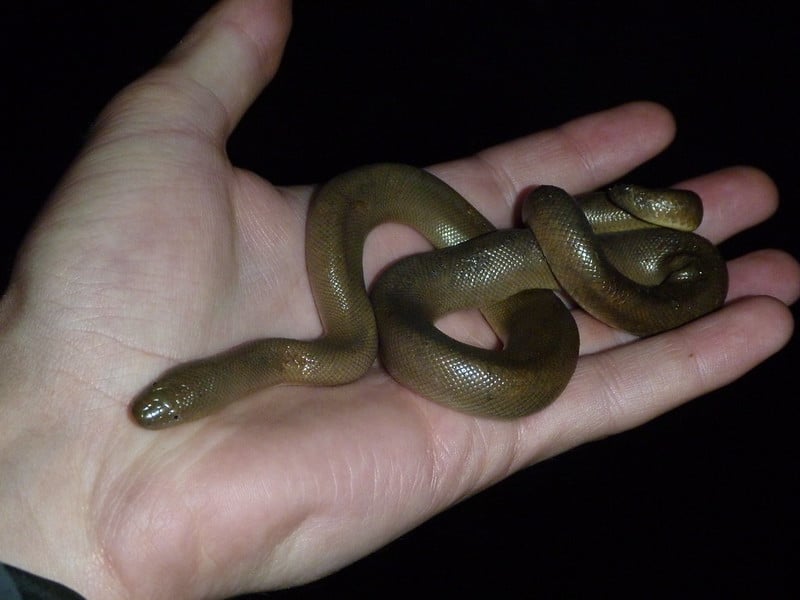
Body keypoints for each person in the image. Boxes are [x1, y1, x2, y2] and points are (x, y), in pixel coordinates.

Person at [1, 1, 797, 598]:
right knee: (510, 255)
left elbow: (578, 227)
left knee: (538, 252)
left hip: (580, 246)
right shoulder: (357, 327)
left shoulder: (402, 308)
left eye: (168, 402)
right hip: (551, 248)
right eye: (176, 401)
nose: (161, 406)